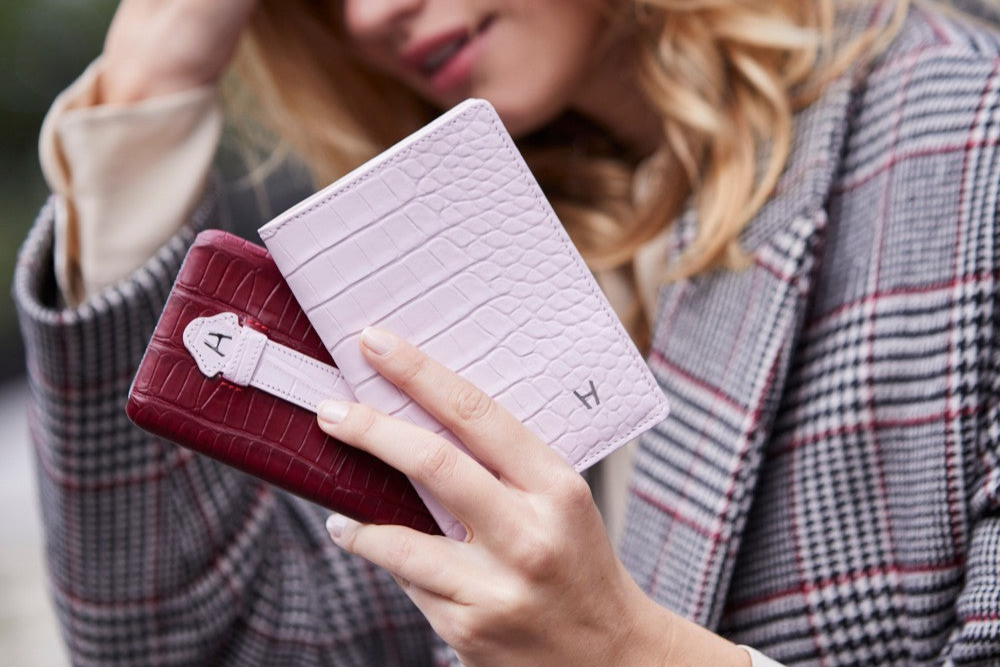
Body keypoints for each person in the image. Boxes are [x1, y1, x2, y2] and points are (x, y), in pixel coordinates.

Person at [13, 0, 1000, 664]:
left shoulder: (966, 151)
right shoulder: (480, 237)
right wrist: (145, 92)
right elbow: (218, 643)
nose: (366, 14)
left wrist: (624, 650)